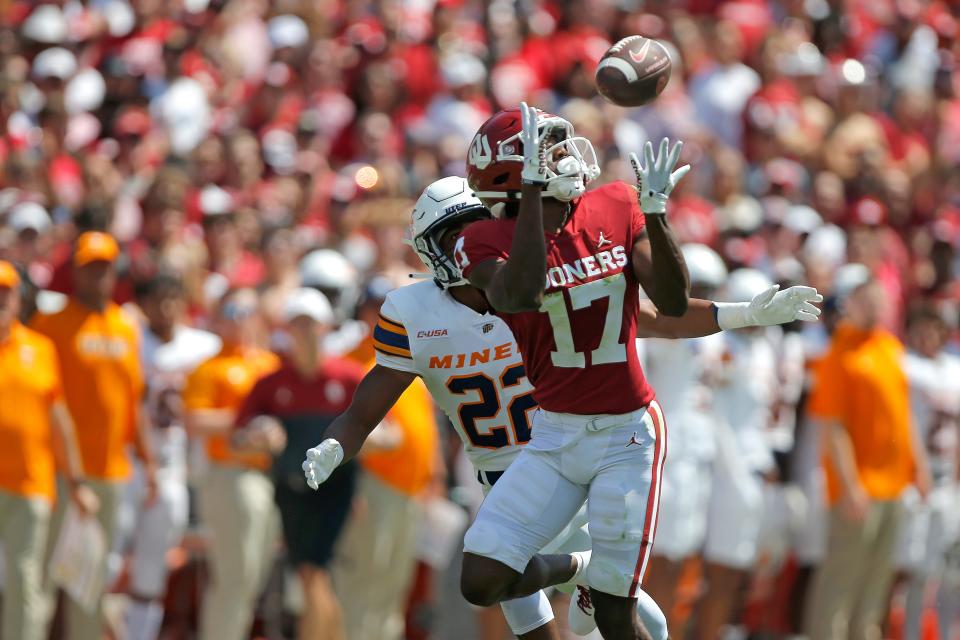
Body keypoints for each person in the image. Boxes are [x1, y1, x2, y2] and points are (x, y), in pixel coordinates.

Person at [302, 176, 821, 639]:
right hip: (504, 484)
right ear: (428, 250)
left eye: (471, 227)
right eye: (450, 235)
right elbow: (369, 402)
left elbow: (653, 318)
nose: (463, 243)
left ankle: (590, 570)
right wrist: (335, 443)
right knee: (514, 609)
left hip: (569, 466)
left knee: (644, 627)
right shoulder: (412, 314)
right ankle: (582, 568)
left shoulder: (534, 284)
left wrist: (744, 314)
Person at [451, 105, 818, 639]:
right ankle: (579, 568)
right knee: (481, 579)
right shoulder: (482, 239)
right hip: (554, 433)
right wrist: (533, 193)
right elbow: (521, 291)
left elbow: (666, 304)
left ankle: (596, 582)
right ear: (515, 173)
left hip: (626, 433)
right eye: (546, 149)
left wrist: (657, 213)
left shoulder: (615, 204)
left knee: (616, 613)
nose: (564, 155)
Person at [32, 232, 157, 640]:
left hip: (110, 471)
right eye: (91, 267)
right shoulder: (49, 325)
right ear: (75, 271)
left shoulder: (126, 327)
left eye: (105, 266)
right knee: (42, 577)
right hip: (58, 472)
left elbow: (134, 402)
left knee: (92, 581)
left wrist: (150, 463)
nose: (99, 275)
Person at [803, 264, 931, 640]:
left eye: (881, 300)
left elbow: (904, 416)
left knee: (876, 588)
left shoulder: (891, 348)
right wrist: (849, 484)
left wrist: (919, 468)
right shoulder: (840, 352)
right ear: (851, 304)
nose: (876, 307)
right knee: (839, 584)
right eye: (867, 300)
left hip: (893, 487)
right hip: (859, 488)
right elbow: (833, 426)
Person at [231, 288, 363, 640]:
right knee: (311, 575)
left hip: (336, 489)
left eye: (311, 324)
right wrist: (260, 436)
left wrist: (371, 440)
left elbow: (387, 432)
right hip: (291, 490)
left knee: (311, 571)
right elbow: (237, 438)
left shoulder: (348, 377)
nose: (304, 332)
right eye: (296, 324)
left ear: (326, 328)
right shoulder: (271, 383)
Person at [0, 260, 98, 640]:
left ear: (19, 299)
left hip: (31, 482)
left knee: (26, 578)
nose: (1, 300)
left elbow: (60, 420)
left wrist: (77, 481)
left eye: (6, 292)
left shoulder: (40, 348)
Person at [121, 274, 221, 640]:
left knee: (153, 566)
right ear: (144, 303)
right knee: (109, 559)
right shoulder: (128, 339)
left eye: (173, 299)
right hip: (126, 461)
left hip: (172, 466)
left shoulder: (203, 346)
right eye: (158, 299)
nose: (165, 308)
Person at [182, 287, 281, 640]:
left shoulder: (269, 364)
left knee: (252, 579)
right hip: (230, 475)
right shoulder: (209, 368)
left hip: (268, 477)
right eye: (232, 310)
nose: (239, 319)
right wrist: (250, 422)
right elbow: (195, 420)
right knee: (233, 579)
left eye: (247, 311)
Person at [642, 244, 727, 631]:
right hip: (665, 453)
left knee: (679, 559)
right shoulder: (665, 327)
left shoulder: (715, 337)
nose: (704, 293)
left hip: (695, 455)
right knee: (655, 558)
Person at [895, 305, 960, 640]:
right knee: (905, 569)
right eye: (921, 327)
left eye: (934, 328)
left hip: (947, 479)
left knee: (946, 572)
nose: (927, 336)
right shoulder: (902, 364)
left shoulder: (954, 369)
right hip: (908, 478)